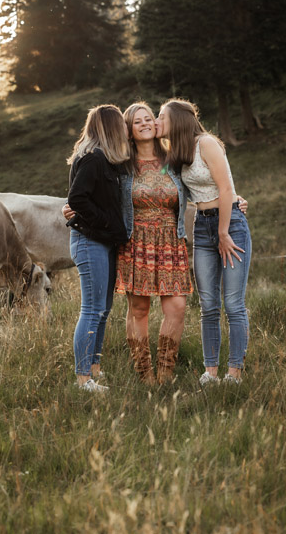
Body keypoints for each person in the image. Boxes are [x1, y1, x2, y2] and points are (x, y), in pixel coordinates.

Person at [157, 99, 252, 385]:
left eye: (161, 116)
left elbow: (225, 188)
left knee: (233, 303)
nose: (157, 121)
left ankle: (234, 372)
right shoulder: (175, 153)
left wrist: (224, 230)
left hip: (230, 225)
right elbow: (159, 183)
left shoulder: (207, 143)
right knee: (208, 304)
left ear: (177, 119)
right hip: (201, 227)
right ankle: (211, 372)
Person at [114, 102, 193, 384]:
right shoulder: (122, 165)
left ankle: (166, 371)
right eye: (138, 121)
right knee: (139, 309)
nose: (146, 123)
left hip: (171, 241)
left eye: (149, 118)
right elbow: (97, 189)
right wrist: (72, 207)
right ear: (129, 130)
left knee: (177, 307)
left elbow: (204, 183)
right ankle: (144, 372)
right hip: (137, 242)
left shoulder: (174, 160)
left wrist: (233, 199)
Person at [66, 104, 132, 393]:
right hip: (89, 241)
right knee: (92, 309)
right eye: (122, 125)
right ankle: (83, 379)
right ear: (111, 127)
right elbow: (77, 200)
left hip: (103, 242)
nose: (126, 131)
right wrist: (106, 223)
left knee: (103, 309)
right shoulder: (93, 159)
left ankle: (94, 368)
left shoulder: (108, 161)